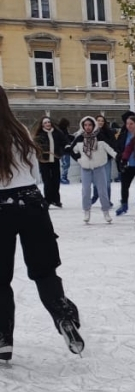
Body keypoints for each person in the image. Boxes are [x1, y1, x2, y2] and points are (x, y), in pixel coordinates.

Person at [0, 86, 84, 361]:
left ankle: (3, 336)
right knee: (44, 270)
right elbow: (35, 172)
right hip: (32, 202)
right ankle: (63, 316)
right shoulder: (21, 131)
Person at [69, 116, 116, 224]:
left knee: (102, 191)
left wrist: (117, 156)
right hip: (85, 168)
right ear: (82, 126)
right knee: (86, 191)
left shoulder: (100, 136)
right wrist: (79, 159)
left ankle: (106, 211)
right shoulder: (80, 138)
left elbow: (109, 148)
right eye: (85, 125)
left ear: (93, 125)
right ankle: (86, 211)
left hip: (99, 167)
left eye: (90, 125)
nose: (88, 127)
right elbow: (72, 150)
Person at [33, 116, 68, 208]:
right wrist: (42, 153)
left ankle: (56, 200)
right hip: (44, 161)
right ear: (42, 125)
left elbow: (64, 143)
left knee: (56, 180)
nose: (48, 124)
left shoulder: (57, 133)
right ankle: (48, 200)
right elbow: (36, 147)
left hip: (55, 159)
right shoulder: (39, 135)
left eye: (48, 122)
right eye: (45, 123)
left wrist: (60, 152)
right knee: (47, 181)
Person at [114, 115, 135, 216]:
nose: (129, 126)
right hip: (127, 165)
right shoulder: (123, 135)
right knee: (124, 186)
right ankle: (124, 204)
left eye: (131, 124)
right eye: (127, 124)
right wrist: (120, 157)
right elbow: (118, 147)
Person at [57, 118, 72, 184]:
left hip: (63, 150)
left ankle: (63, 177)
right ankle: (63, 177)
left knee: (65, 164)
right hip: (64, 150)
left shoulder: (60, 131)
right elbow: (65, 140)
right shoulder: (62, 132)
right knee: (66, 164)